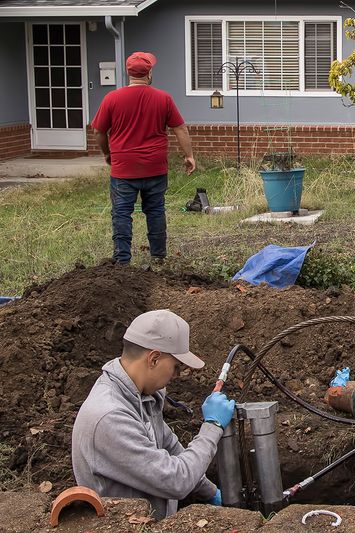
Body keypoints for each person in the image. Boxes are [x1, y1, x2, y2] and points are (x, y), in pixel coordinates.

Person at [72, 309, 235, 519]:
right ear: (154, 359)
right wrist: (212, 426)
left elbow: (170, 446)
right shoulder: (110, 416)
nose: (177, 375)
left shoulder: (140, 396)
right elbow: (176, 480)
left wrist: (210, 492)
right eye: (176, 367)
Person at [92, 52, 196, 265]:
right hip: (155, 167)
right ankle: (158, 257)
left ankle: (122, 260)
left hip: (123, 169)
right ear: (149, 73)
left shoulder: (112, 98)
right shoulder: (163, 98)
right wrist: (189, 156)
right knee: (156, 210)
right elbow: (180, 128)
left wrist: (107, 153)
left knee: (121, 213)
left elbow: (98, 132)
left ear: (128, 73)